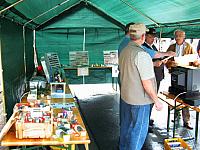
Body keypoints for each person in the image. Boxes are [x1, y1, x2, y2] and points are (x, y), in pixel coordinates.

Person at [119, 23, 163, 150]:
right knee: (138, 132)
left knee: (126, 128)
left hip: (126, 97)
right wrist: (156, 101)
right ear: (143, 36)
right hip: (140, 101)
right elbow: (146, 83)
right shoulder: (142, 54)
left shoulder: (124, 50)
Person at [166, 29, 196, 130]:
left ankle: (186, 120)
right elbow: (165, 60)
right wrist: (170, 64)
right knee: (175, 95)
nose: (178, 37)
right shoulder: (171, 47)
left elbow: (195, 59)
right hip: (175, 73)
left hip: (186, 74)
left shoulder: (189, 46)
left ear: (184, 37)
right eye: (176, 35)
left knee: (185, 97)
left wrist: (195, 62)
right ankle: (176, 116)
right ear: (174, 37)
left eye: (180, 35)